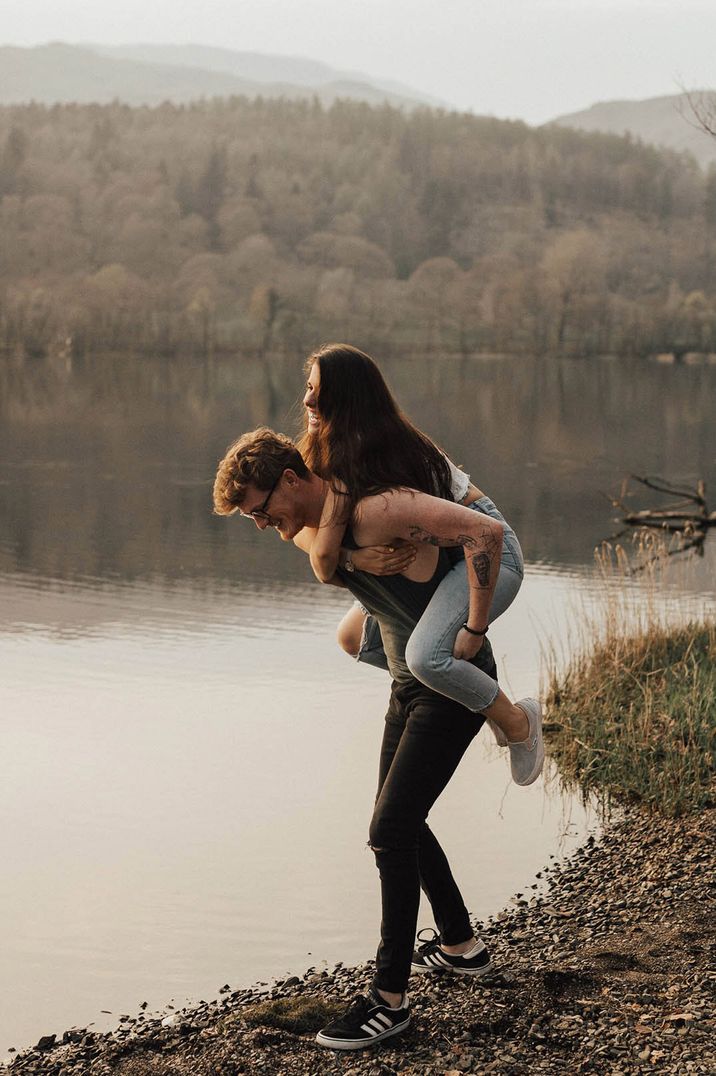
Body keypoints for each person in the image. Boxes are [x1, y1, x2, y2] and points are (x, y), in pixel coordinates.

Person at [213, 428, 543, 1051]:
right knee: (401, 822)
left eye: (261, 509)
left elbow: (471, 534)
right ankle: (460, 945)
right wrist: (351, 561)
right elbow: (321, 554)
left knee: (389, 831)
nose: (261, 524)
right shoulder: (317, 531)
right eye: (251, 518)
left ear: (290, 479)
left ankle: (388, 999)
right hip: (406, 684)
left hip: (447, 682)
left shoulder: (369, 509)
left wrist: (466, 616)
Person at [297, 343, 535, 777]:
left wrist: (474, 629)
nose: (308, 401)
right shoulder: (325, 450)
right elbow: (304, 535)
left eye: (320, 392)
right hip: (441, 558)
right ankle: (459, 683)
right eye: (309, 388)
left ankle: (517, 722)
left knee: (426, 657)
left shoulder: (378, 452)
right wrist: (355, 557)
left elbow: (484, 536)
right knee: (354, 638)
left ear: (350, 399)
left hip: (485, 550)